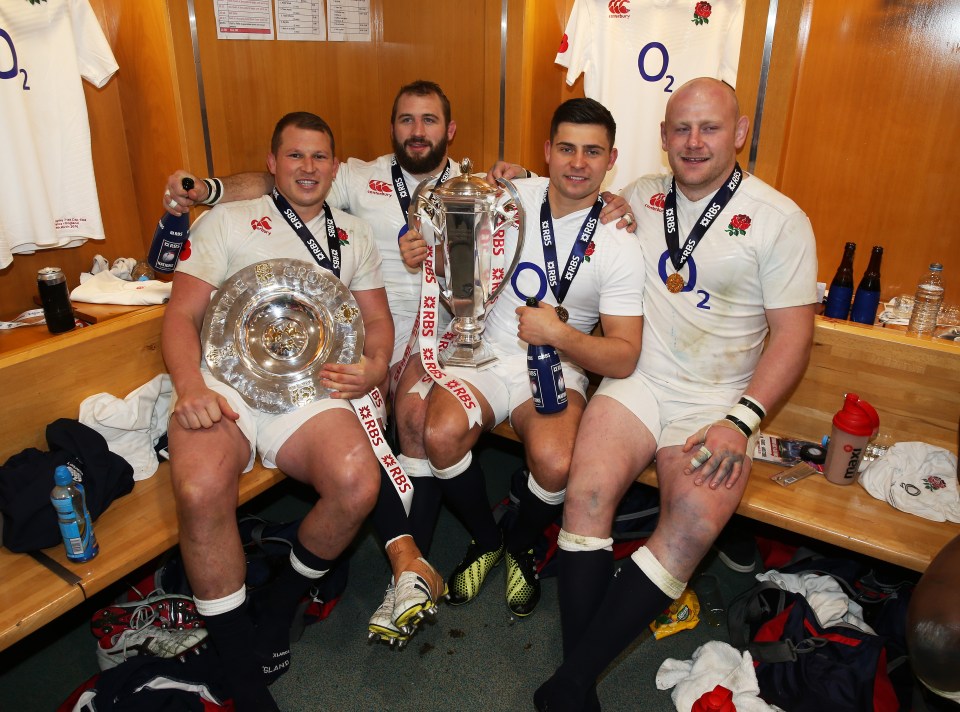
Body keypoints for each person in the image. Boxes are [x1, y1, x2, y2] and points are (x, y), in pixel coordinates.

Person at [164, 81, 636, 646]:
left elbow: (618, 329)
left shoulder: (492, 187)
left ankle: (462, 557)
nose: (418, 130)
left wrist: (616, 203)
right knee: (416, 428)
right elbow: (272, 180)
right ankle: (423, 557)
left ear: (449, 130)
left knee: (476, 440)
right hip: (380, 339)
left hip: (468, 342)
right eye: (407, 120)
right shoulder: (378, 178)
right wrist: (210, 188)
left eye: (430, 119)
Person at [534, 77, 818, 711]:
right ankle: (577, 680)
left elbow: (793, 338)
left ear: (740, 134)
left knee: (690, 523)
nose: (694, 143)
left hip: (718, 402)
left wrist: (741, 422)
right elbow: (555, 200)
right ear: (663, 138)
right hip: (638, 381)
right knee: (585, 493)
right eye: (680, 129)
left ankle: (569, 683)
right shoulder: (637, 196)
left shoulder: (780, 220)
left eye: (709, 128)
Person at [162, 111, 393, 710]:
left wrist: (373, 366)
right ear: (272, 163)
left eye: (320, 157)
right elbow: (181, 316)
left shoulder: (353, 233)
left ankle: (280, 605)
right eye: (295, 156)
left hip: (311, 391)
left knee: (356, 483)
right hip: (227, 385)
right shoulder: (226, 221)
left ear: (335, 167)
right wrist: (190, 388)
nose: (308, 168)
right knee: (199, 487)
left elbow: (376, 322)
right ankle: (240, 667)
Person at [398, 97, 645, 620]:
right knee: (438, 433)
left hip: (558, 364)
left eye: (593, 152)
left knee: (556, 462)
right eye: (567, 148)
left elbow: (623, 356)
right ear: (547, 151)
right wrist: (412, 239)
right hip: (485, 351)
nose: (578, 162)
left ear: (611, 158)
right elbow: (435, 212)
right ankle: (488, 541)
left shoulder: (620, 239)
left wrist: (560, 335)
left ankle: (521, 546)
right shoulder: (508, 196)